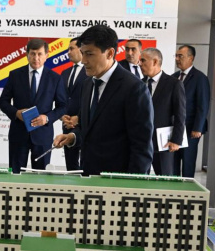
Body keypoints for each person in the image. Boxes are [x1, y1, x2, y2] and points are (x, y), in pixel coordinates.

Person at [53, 25, 154, 176]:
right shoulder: (87, 84)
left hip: (116, 180)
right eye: (82, 53)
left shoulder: (134, 88)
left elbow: (142, 147)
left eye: (89, 54)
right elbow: (90, 128)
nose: (83, 60)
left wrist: (132, 185)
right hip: (88, 176)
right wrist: (72, 137)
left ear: (110, 53)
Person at [0, 39, 67, 173]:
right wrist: (16, 113)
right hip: (19, 134)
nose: (36, 58)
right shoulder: (15, 75)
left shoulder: (55, 78)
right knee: (15, 175)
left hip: (43, 136)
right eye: (33, 54)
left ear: (47, 55)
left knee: (40, 178)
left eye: (40, 54)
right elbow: (2, 101)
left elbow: (63, 106)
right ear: (27, 55)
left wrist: (47, 118)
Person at [139, 48, 186, 176]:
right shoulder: (139, 84)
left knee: (165, 178)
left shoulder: (174, 84)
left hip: (163, 143)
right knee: (139, 178)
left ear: (155, 61)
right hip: (140, 142)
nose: (140, 64)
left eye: (143, 60)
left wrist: (176, 140)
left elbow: (180, 114)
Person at [171, 45, 211, 178]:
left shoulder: (200, 78)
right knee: (173, 161)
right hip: (174, 128)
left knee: (188, 161)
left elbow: (203, 105)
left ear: (191, 58)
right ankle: (173, 187)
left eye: (180, 56)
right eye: (176, 56)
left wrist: (197, 128)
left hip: (190, 130)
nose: (177, 59)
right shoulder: (174, 77)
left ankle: (187, 188)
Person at [60, 37, 89, 171]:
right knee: (70, 166)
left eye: (71, 49)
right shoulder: (65, 73)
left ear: (81, 49)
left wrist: (79, 117)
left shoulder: (90, 72)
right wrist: (62, 116)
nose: (68, 52)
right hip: (67, 124)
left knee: (86, 164)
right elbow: (61, 98)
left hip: (84, 123)